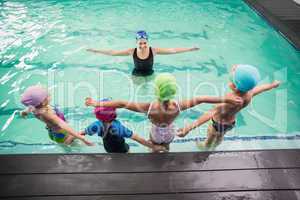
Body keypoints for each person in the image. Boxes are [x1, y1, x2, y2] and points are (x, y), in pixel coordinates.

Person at [85, 73, 242, 151]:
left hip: (156, 132)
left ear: (157, 90)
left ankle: (154, 152)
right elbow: (202, 99)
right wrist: (226, 100)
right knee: (166, 145)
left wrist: (95, 103)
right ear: (173, 91)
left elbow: (121, 103)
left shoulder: (150, 107)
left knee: (153, 144)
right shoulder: (177, 106)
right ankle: (166, 151)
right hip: (169, 132)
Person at [177, 65, 281, 149]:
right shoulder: (249, 93)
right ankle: (216, 145)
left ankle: (207, 147)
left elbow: (210, 113)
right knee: (220, 136)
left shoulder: (230, 100)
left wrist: (189, 128)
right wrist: (272, 85)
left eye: (231, 79)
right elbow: (261, 88)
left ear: (234, 86)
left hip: (217, 124)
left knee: (211, 135)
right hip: (231, 123)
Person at [86, 30, 199, 76]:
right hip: (136, 73)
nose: (143, 46)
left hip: (150, 72)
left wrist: (189, 49)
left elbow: (173, 50)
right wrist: (95, 50)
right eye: (140, 43)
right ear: (136, 42)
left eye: (144, 43)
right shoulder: (132, 51)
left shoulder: (154, 51)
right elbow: (113, 53)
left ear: (147, 41)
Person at [81, 98, 166, 153]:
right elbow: (138, 139)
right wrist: (154, 146)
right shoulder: (119, 128)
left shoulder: (96, 125)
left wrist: (72, 137)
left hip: (108, 149)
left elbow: (83, 132)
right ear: (113, 113)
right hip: (123, 149)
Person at [20, 85, 93, 146]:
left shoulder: (33, 107)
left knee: (64, 142)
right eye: (48, 96)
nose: (50, 95)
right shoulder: (47, 113)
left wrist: (23, 113)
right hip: (62, 134)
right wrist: (82, 138)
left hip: (52, 132)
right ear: (43, 102)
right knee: (75, 144)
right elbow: (63, 125)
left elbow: (27, 109)